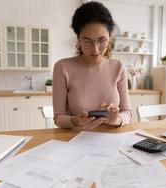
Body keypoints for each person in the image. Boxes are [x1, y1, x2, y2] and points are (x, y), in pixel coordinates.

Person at [53, 1, 132, 130]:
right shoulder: (62, 67)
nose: (95, 50)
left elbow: (127, 112)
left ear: (110, 38)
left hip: (113, 140)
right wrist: (74, 121)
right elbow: (58, 118)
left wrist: (116, 120)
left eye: (102, 40)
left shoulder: (118, 67)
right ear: (78, 39)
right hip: (76, 141)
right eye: (87, 41)